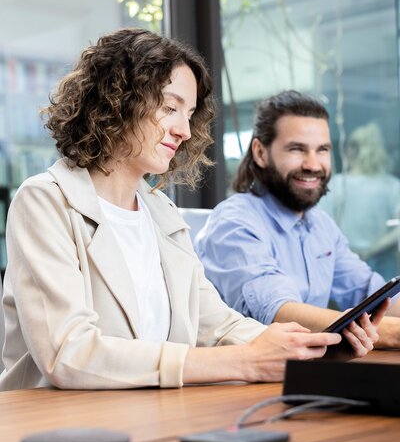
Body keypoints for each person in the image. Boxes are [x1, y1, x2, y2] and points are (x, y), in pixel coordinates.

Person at [0, 32, 382, 392]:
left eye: (190, 113)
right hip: (56, 436)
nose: (184, 129)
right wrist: (244, 362)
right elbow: (69, 353)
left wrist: (314, 349)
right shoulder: (45, 201)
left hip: (144, 422)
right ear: (114, 102)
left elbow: (213, 323)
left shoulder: (161, 211)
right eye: (170, 107)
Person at [195, 90, 400, 348]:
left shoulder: (321, 225)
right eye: (296, 149)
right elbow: (281, 315)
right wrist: (393, 333)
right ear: (260, 152)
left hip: (304, 371)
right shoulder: (234, 222)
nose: (313, 164)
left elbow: (374, 295)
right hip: (243, 382)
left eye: (322, 149)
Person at [319, 122, 400, 280]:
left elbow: (322, 224)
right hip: (374, 261)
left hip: (350, 261)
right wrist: (371, 250)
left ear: (353, 150)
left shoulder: (337, 184)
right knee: (391, 303)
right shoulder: (392, 185)